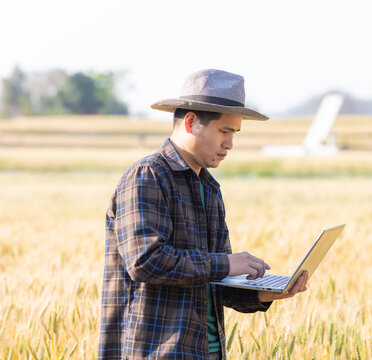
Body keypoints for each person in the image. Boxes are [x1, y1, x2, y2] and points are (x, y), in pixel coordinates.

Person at [99, 69, 309, 360]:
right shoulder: (148, 175)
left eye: (234, 134)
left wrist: (265, 293)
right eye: (224, 131)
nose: (229, 144)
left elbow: (214, 284)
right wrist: (225, 263)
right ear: (191, 122)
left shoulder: (209, 188)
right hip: (155, 351)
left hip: (207, 351)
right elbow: (146, 261)